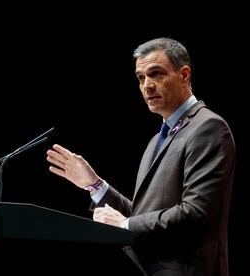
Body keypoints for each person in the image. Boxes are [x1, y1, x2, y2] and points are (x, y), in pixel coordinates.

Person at [46, 37, 236, 276]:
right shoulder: (155, 142)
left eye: (156, 74)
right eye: (141, 77)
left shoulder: (208, 127)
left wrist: (124, 225)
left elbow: (196, 214)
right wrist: (95, 186)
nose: (147, 85)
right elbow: (142, 215)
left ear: (184, 75)